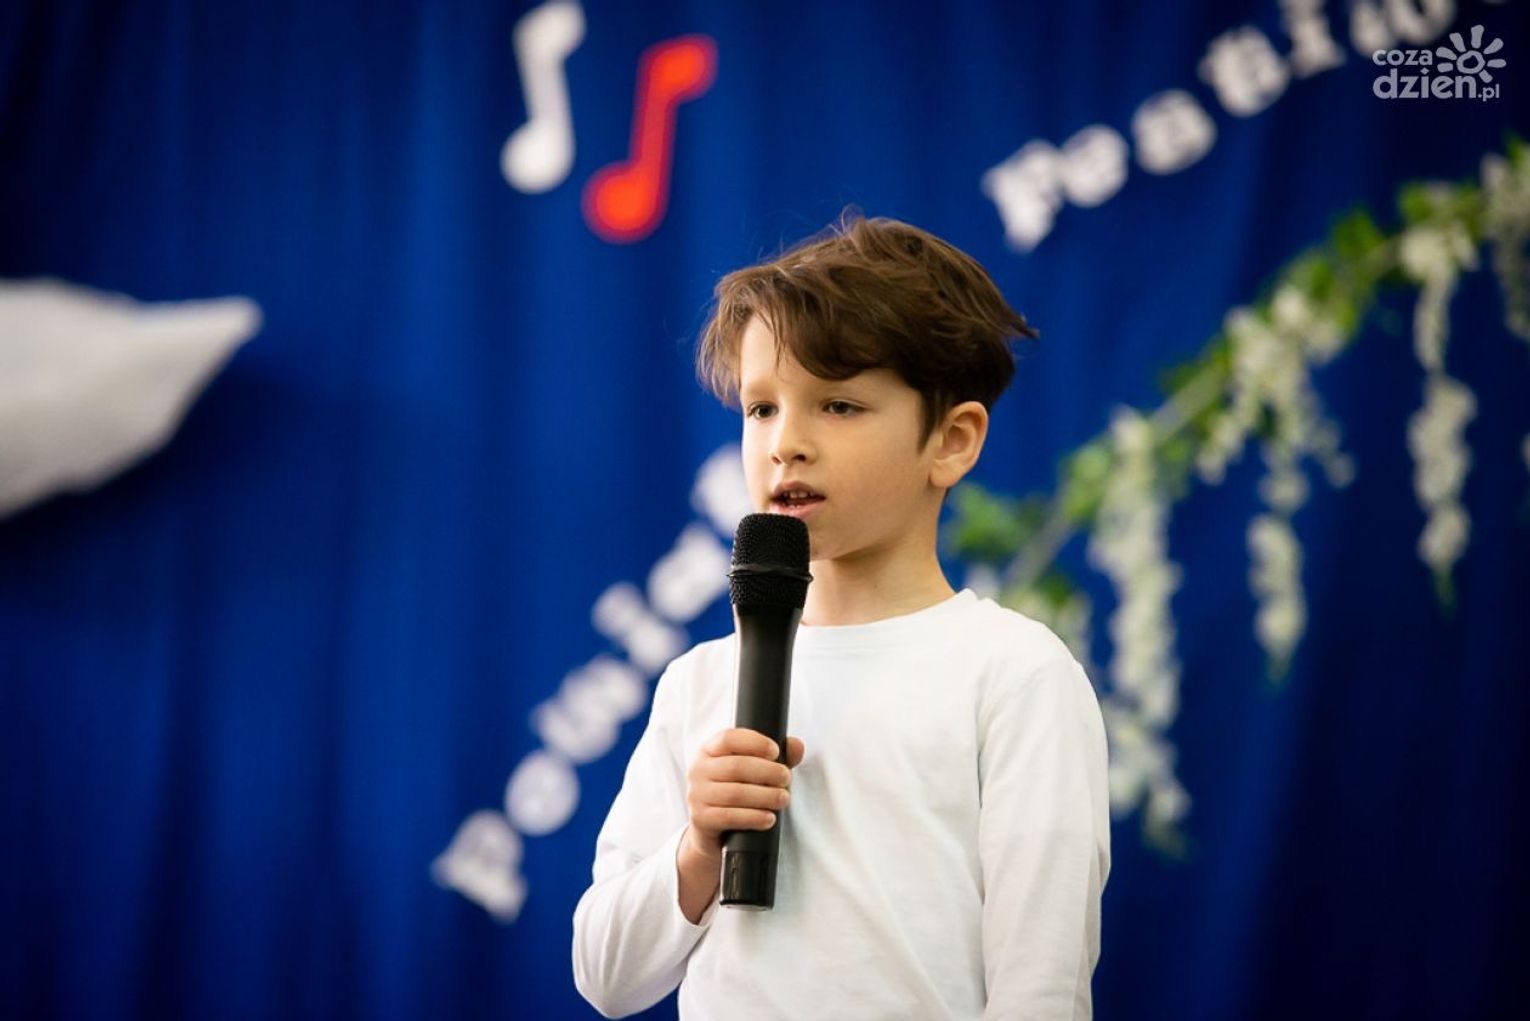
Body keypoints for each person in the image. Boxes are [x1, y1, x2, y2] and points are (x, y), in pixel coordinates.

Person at [572, 212, 1110, 1019]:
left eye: (838, 405)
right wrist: (697, 848)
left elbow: (1043, 988)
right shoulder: (701, 681)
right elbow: (604, 974)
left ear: (952, 441)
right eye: (761, 408)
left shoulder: (1014, 675)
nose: (785, 442)